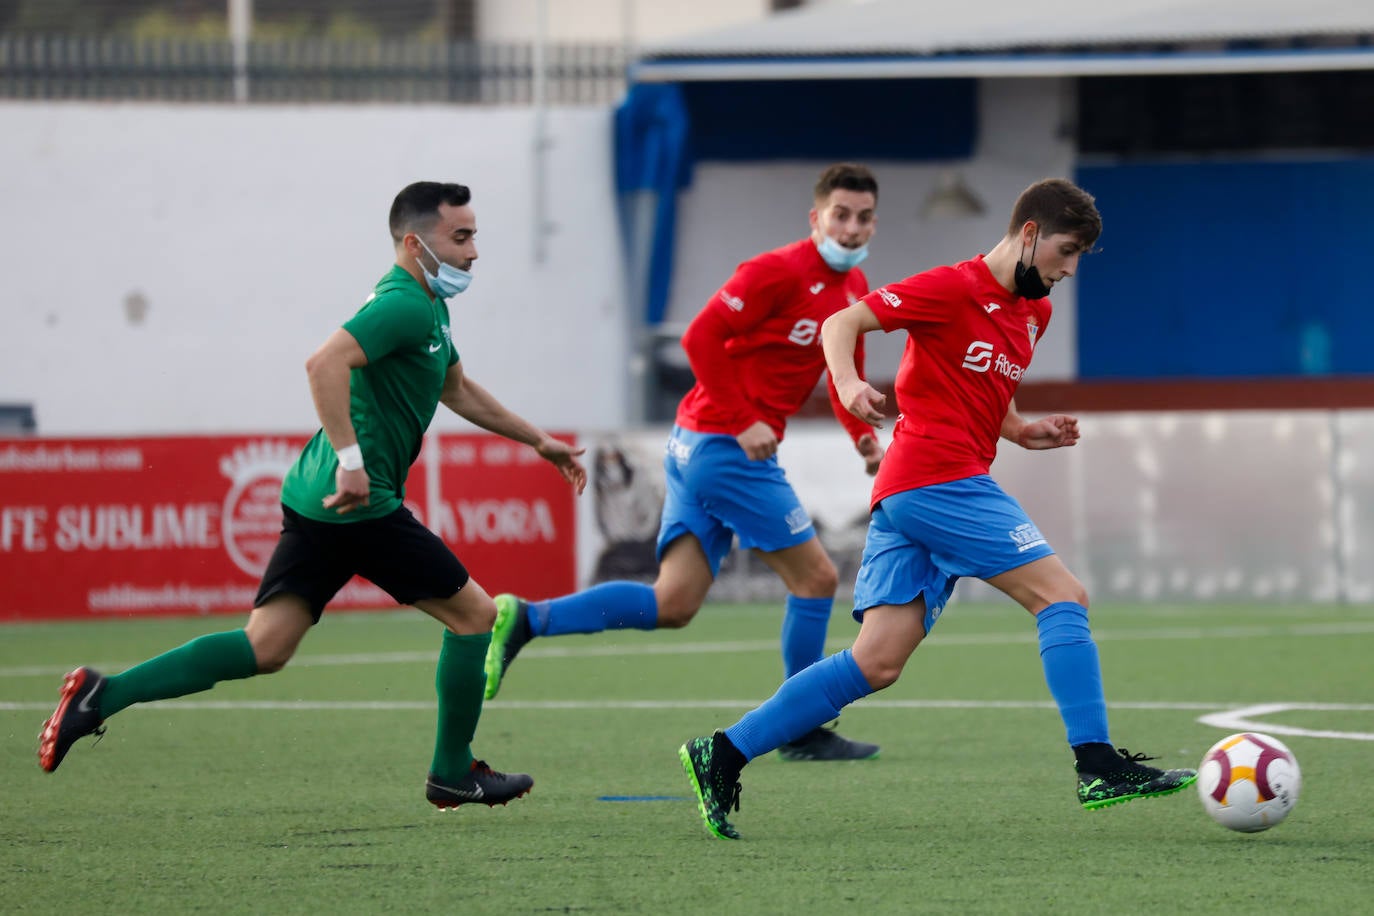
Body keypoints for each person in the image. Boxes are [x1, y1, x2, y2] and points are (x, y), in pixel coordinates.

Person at [37, 181, 588, 811]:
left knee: (264, 646)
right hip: (359, 504)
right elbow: (323, 362)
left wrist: (538, 441)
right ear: (416, 243)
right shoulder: (404, 304)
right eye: (460, 237)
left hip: (317, 499)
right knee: (476, 616)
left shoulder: (429, 306)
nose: (473, 251)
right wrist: (353, 461)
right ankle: (451, 771)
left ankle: (99, 696)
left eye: (474, 236)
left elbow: (456, 389)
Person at [678, 178, 1198, 840]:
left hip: (918, 492)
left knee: (876, 663)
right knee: (1063, 597)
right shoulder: (951, 288)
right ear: (1030, 234)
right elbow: (843, 322)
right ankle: (1098, 764)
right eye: (1066, 252)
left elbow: (985, 391)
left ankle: (721, 753)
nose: (1069, 270)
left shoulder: (1033, 313)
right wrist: (847, 380)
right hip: (936, 479)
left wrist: (1021, 431)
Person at [483, 163, 885, 761]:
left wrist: (861, 437)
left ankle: (526, 619)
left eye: (864, 217)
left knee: (673, 602)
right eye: (841, 215)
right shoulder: (776, 271)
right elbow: (698, 338)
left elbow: (840, 371)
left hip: (698, 446)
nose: (852, 229)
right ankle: (800, 728)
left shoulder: (855, 291)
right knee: (817, 578)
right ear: (816, 218)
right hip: (724, 447)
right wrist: (744, 417)